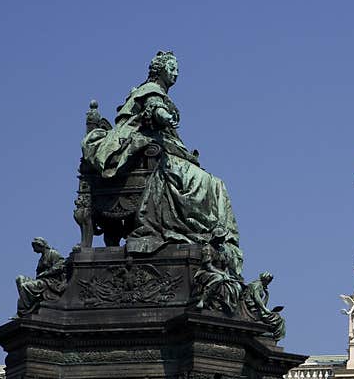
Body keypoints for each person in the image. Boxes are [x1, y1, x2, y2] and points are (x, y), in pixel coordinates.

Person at [81, 51, 239, 254]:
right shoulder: (151, 90)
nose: (176, 73)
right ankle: (202, 228)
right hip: (153, 156)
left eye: (177, 70)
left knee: (213, 183)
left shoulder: (154, 91)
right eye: (172, 68)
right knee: (210, 183)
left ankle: (207, 228)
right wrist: (164, 117)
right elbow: (154, 108)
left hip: (160, 151)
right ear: (160, 70)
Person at [194, 226, 244, 313]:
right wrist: (222, 274)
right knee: (218, 278)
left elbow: (225, 266)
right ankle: (203, 300)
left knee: (237, 285)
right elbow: (208, 266)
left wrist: (227, 274)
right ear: (216, 238)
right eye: (222, 237)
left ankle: (227, 304)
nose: (224, 239)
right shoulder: (207, 249)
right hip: (206, 273)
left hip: (220, 273)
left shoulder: (222, 250)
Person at [15, 238, 67, 315]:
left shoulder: (53, 253)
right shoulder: (42, 257)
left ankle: (23, 311)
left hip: (51, 282)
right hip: (41, 280)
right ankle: (28, 306)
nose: (34, 250)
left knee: (25, 286)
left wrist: (46, 273)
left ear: (40, 245)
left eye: (34, 247)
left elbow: (61, 265)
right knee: (19, 279)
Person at [243, 271, 286, 340]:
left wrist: (266, 295)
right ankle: (271, 336)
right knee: (279, 319)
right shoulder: (256, 285)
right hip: (253, 310)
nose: (269, 283)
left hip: (257, 309)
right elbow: (257, 299)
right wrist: (265, 309)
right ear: (265, 279)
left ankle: (269, 334)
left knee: (278, 318)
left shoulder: (261, 286)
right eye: (268, 281)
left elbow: (262, 303)